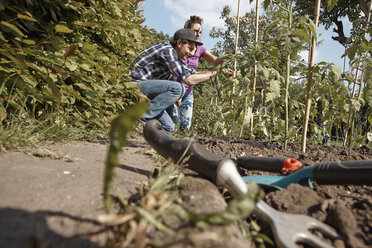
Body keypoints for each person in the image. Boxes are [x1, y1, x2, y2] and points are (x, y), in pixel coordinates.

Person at [129, 28, 219, 132]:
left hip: (146, 92)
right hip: (134, 86)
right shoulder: (168, 50)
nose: (191, 53)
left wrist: (217, 72)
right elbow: (188, 79)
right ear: (180, 43)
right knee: (178, 88)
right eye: (190, 48)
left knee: (170, 128)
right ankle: (139, 118)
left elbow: (191, 72)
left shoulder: (176, 58)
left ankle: (143, 130)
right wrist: (214, 74)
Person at [175, 15, 231, 130]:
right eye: (195, 31)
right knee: (173, 124)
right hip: (175, 88)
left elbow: (216, 60)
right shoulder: (179, 46)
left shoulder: (200, 49)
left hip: (188, 92)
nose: (198, 34)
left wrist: (231, 56)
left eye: (200, 32)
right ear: (187, 30)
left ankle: (181, 147)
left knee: (185, 126)